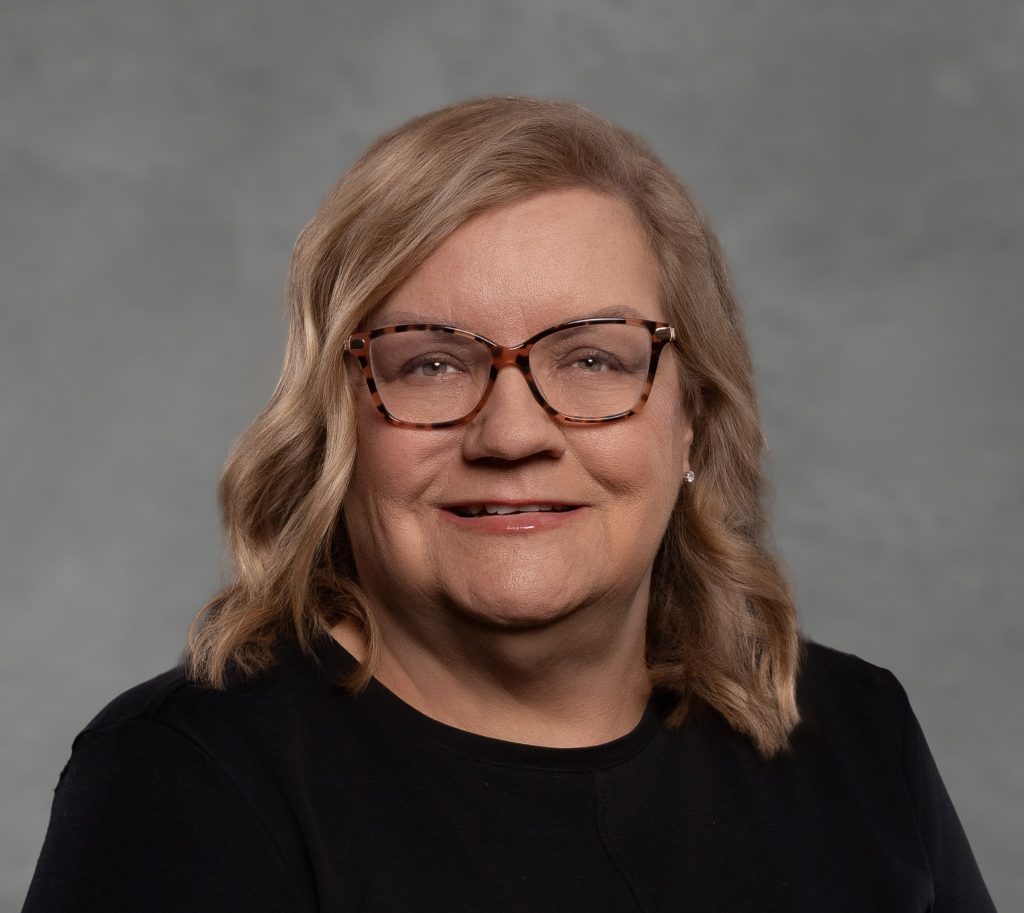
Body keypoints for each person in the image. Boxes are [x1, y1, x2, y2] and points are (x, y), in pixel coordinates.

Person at [22, 97, 995, 912]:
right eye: (433, 362)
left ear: (689, 420)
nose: (512, 433)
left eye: (592, 358)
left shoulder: (857, 738)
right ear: (337, 425)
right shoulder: (183, 787)